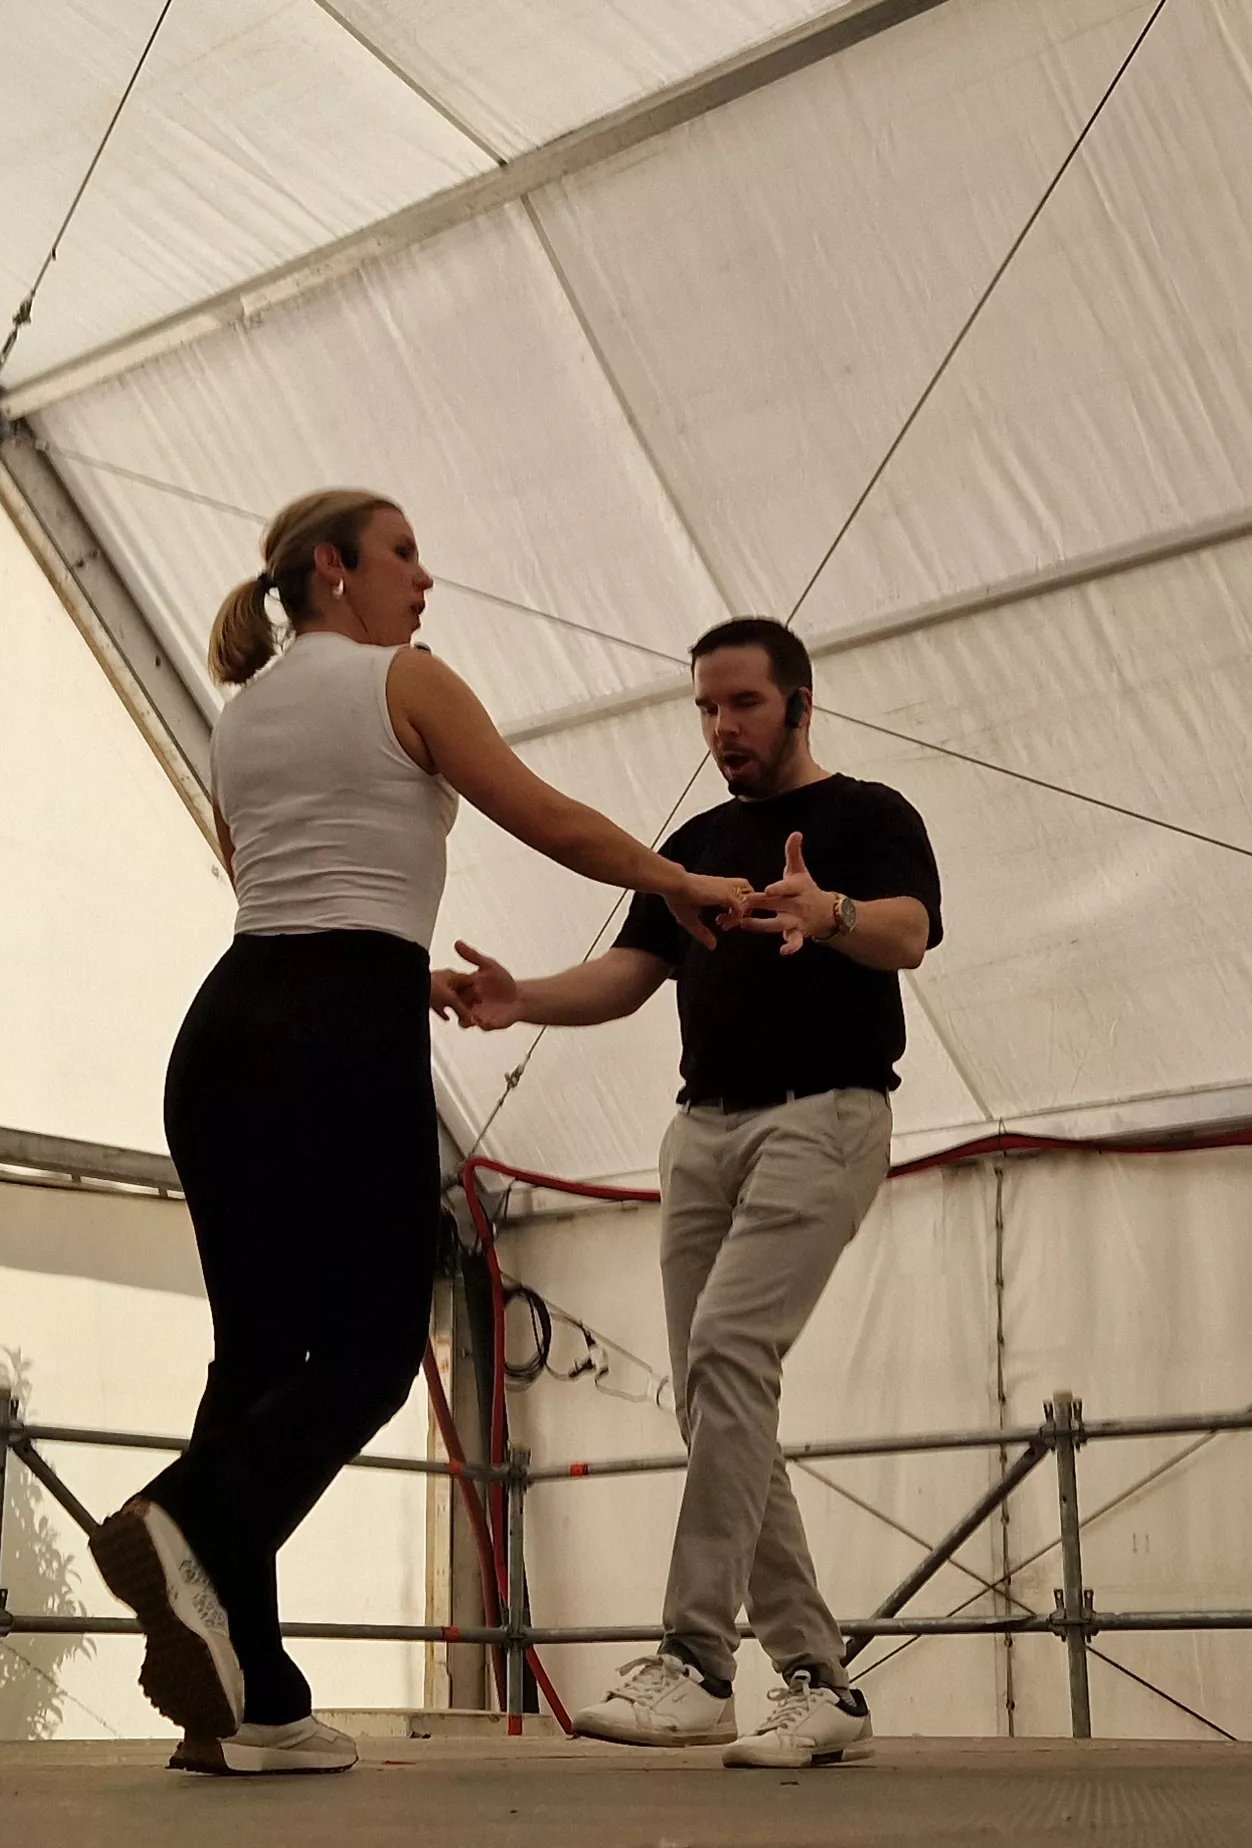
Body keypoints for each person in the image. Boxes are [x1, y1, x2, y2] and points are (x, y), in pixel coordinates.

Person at [94, 490, 754, 1777]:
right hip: (340, 1032)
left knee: (255, 1362)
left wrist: (399, 970)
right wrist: (678, 881)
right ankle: (184, 1516)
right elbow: (546, 817)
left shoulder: (240, 718)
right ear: (332, 568)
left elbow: (271, 881)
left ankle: (254, 1702)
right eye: (402, 553)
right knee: (370, 1354)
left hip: (227, 1031)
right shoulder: (407, 679)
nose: (425, 577)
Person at [436, 617, 940, 1770]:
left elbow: (910, 934)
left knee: (724, 1354)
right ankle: (818, 1682)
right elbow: (631, 974)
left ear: (799, 703)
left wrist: (829, 913)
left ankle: (698, 1659)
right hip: (701, 1132)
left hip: (823, 1117)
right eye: (706, 708)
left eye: (742, 704)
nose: (720, 728)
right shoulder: (695, 846)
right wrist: (523, 999)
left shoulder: (869, 816)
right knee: (716, 1397)